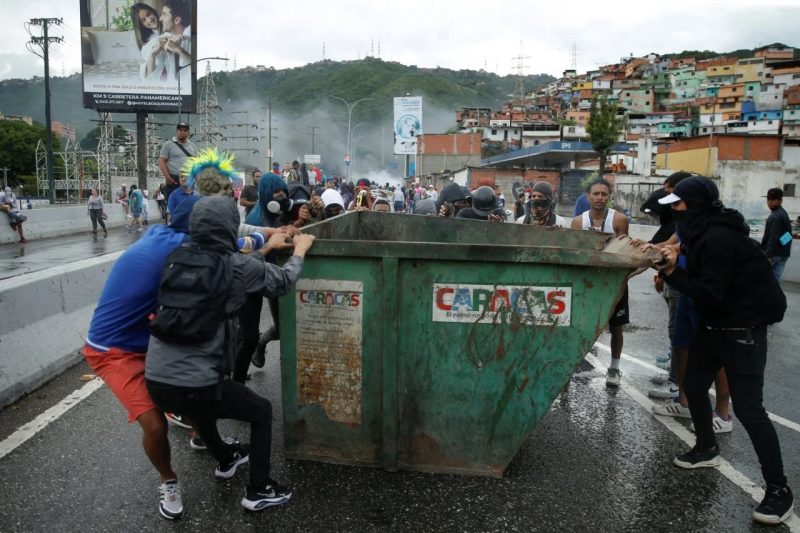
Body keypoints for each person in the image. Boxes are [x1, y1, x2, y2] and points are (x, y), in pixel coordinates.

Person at [145, 196, 314, 513]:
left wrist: (263, 247)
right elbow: (282, 281)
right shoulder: (238, 265)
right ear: (228, 227)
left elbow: (238, 268)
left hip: (157, 384)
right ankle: (259, 489)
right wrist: (300, 250)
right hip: (198, 386)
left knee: (202, 401)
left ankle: (225, 458)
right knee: (260, 411)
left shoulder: (175, 258)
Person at [655, 175, 792, 526]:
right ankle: (706, 447)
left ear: (696, 207)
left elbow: (709, 292)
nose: (676, 214)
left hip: (742, 330)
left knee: (749, 410)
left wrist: (671, 273)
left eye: (679, 206)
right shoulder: (700, 233)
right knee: (696, 386)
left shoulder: (718, 239)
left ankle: (779, 491)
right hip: (715, 327)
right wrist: (670, 259)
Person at [570, 178, 629, 387]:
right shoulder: (578, 222)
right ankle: (572, 363)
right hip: (588, 282)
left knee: (617, 327)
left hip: (614, 281)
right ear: (588, 196)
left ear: (609, 197)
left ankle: (614, 368)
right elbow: (575, 253)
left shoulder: (619, 220)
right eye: (596, 194)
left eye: (604, 194)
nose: (600, 198)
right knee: (579, 324)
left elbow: (626, 252)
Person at [761, 187, 792, 282]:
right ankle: (776, 297)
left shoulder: (775, 216)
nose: (770, 202)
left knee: (764, 280)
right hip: (783, 253)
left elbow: (773, 237)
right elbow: (788, 235)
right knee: (775, 280)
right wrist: (783, 247)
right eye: (768, 199)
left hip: (773, 254)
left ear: (780, 201)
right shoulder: (783, 213)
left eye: (773, 199)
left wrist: (768, 255)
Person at [159, 123, 197, 201]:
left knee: (189, 202)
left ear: (188, 133)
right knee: (173, 202)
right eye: (180, 130)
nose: (182, 132)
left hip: (189, 179)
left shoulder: (193, 146)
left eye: (185, 130)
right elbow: (162, 162)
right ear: (176, 131)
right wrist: (168, 177)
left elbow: (196, 163)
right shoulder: (168, 144)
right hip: (173, 180)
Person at [132, 3, 168, 81]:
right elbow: (152, 78)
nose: (149, 20)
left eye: (149, 14)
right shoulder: (146, 47)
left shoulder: (170, 25)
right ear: (141, 25)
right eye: (143, 20)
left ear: (153, 11)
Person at [158, 0, 191, 82]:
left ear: (177, 20)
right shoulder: (166, 39)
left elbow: (200, 67)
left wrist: (179, 50)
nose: (160, 19)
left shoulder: (193, 40)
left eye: (164, 15)